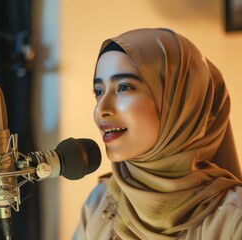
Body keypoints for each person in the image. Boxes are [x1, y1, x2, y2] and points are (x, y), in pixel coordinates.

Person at [73, 28, 242, 240]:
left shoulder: (233, 220)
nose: (100, 109)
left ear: (182, 103)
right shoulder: (99, 202)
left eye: (124, 87)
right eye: (98, 92)